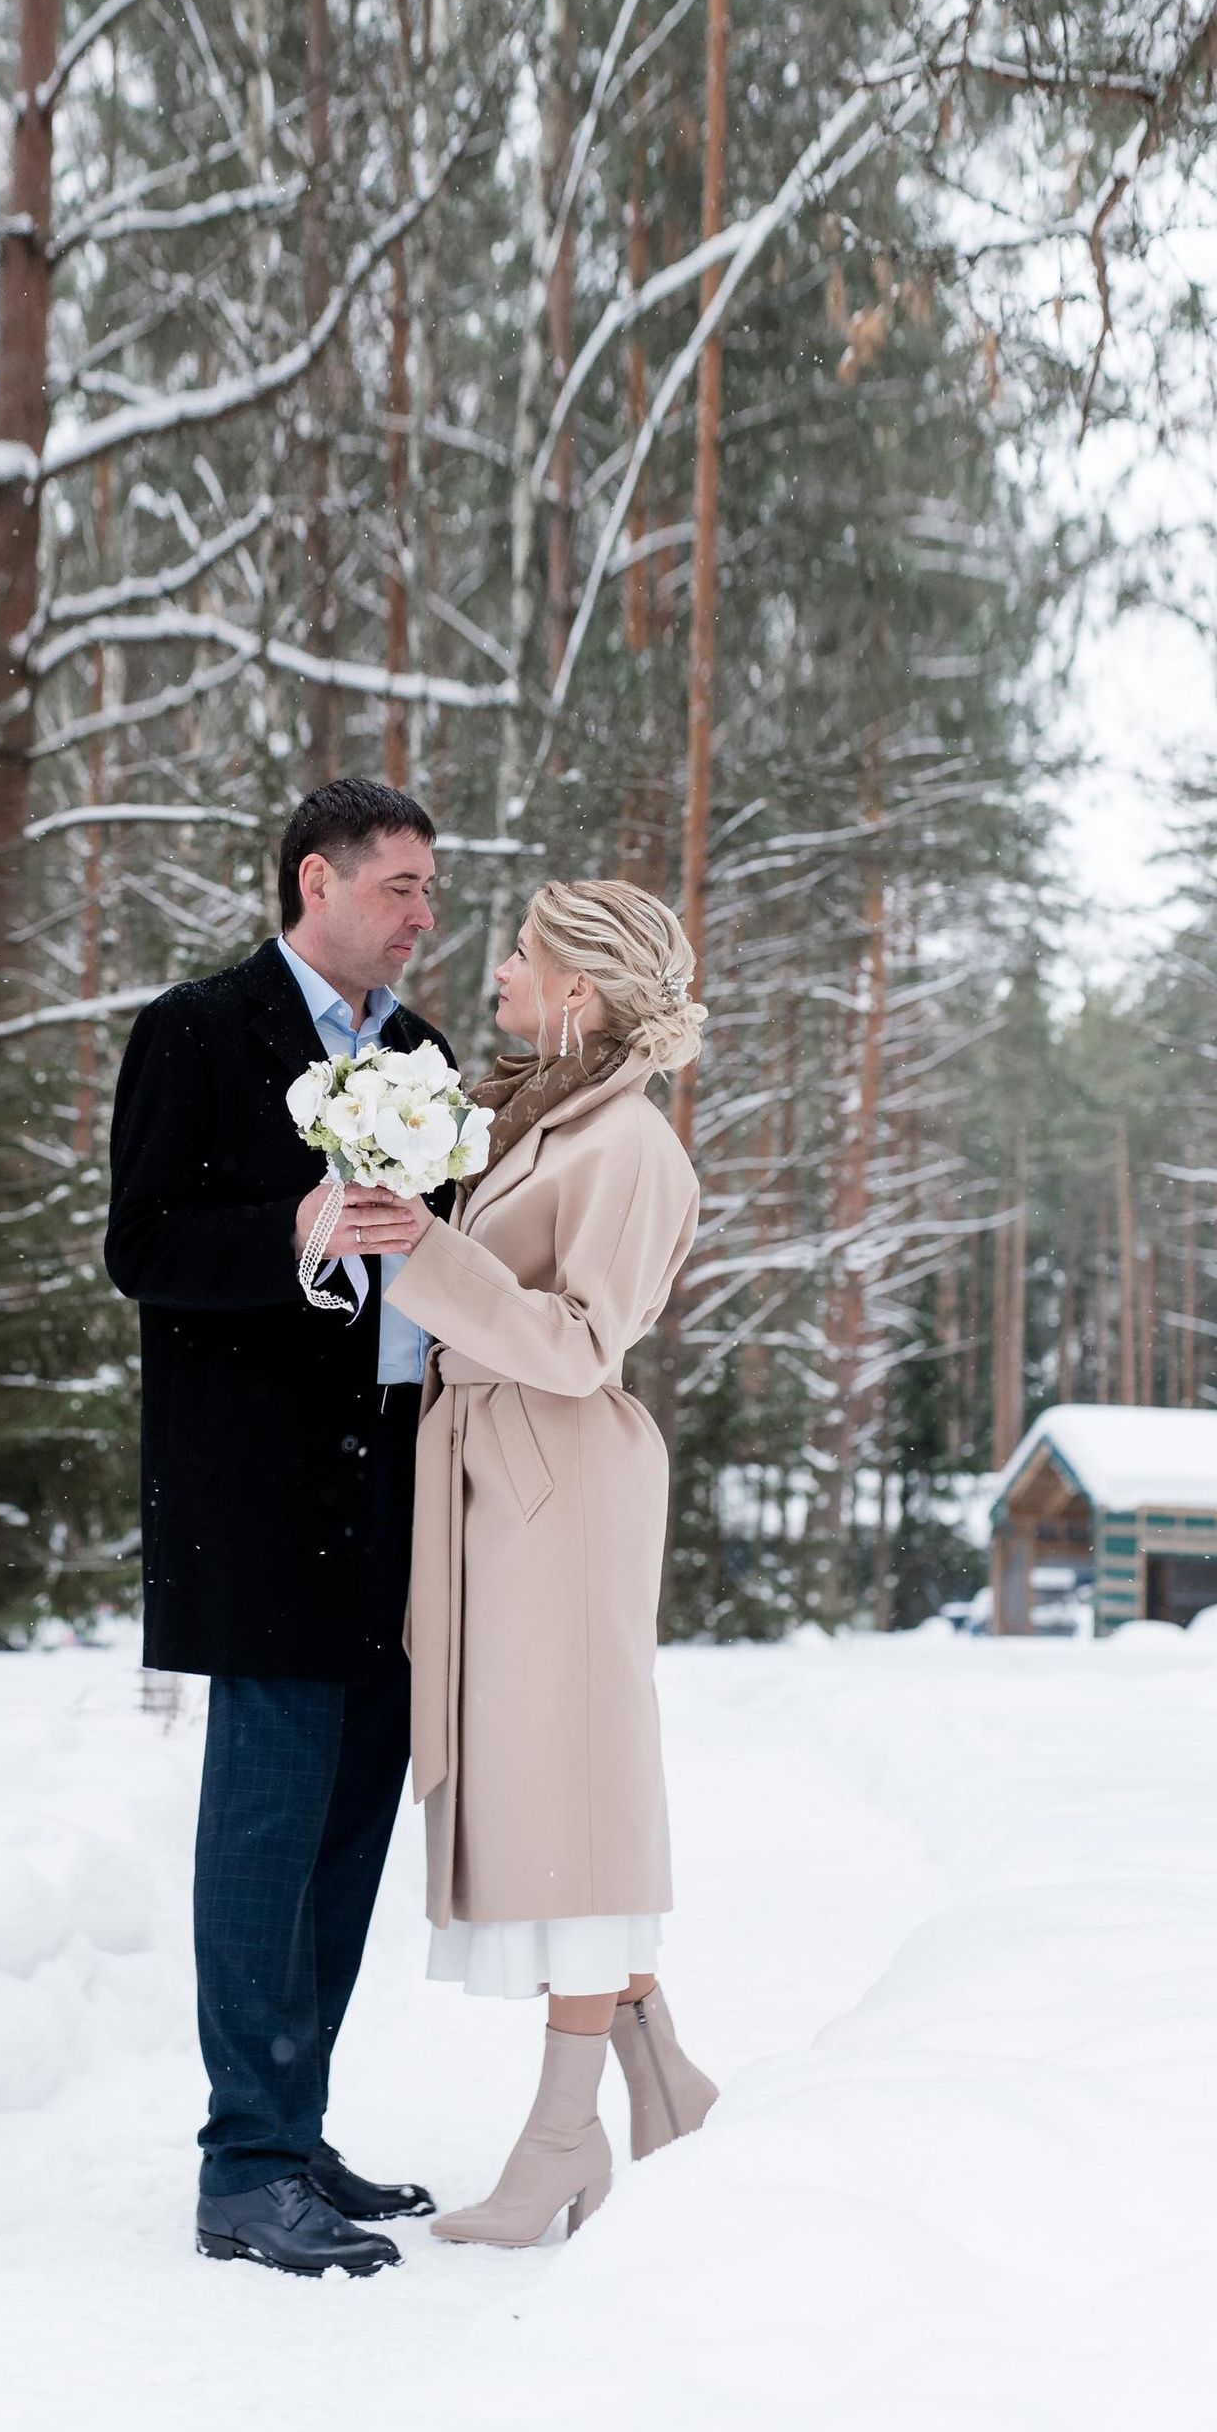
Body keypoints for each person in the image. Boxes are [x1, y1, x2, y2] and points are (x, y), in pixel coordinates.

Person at [105, 777, 452, 2282]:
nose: (424, 912)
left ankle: (295, 2126)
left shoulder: (427, 1055)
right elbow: (142, 1244)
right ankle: (241, 2164)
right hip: (258, 1494)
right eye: (402, 886)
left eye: (432, 889)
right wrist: (297, 1228)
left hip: (398, 1480)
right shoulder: (196, 1029)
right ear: (318, 880)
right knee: (266, 1823)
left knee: (350, 1824)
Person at [348, 877, 723, 2246]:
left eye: (522, 954)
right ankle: (663, 2085)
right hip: (507, 1490)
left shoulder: (629, 1145)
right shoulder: (543, 1117)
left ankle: (565, 2139)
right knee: (558, 1795)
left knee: (574, 1810)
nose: (495, 970)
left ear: (581, 991)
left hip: (557, 1492)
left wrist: (428, 1254)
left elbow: (578, 1344)